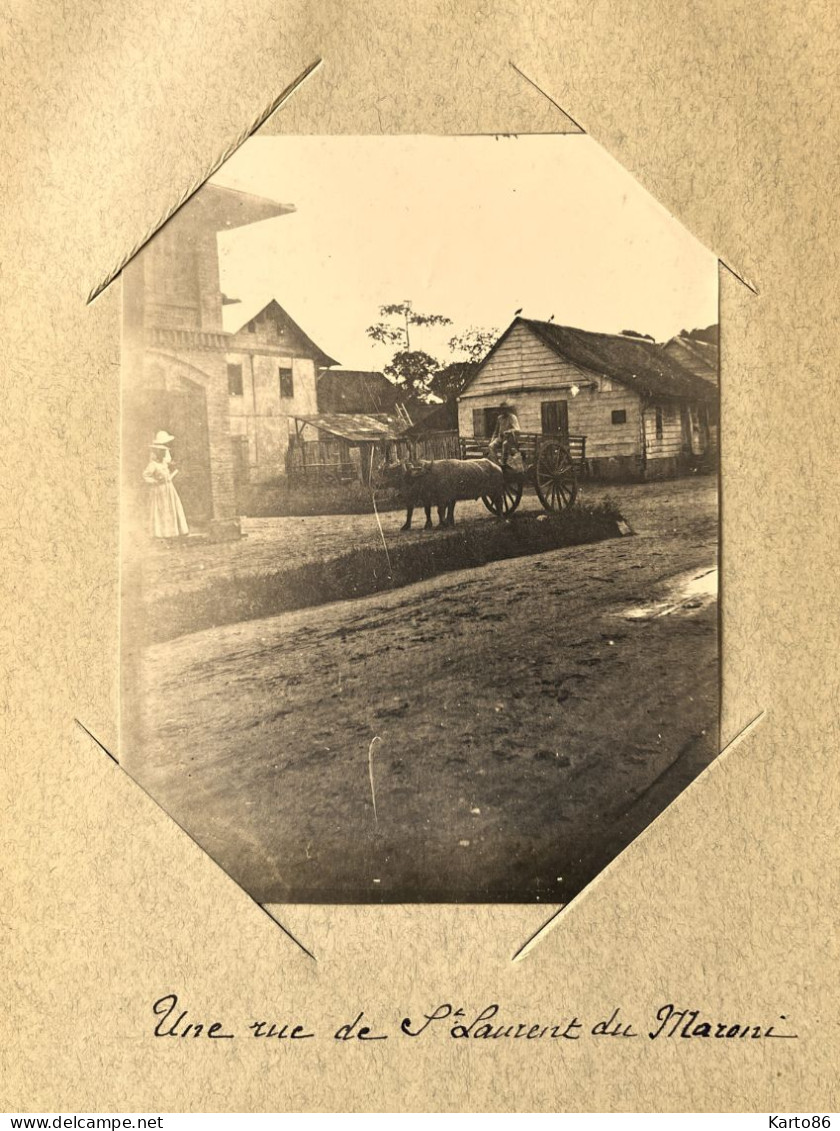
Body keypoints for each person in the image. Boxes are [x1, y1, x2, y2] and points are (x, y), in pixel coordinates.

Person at [143, 433, 189, 541]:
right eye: (161, 452)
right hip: (160, 490)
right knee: (162, 509)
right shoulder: (153, 464)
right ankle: (162, 533)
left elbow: (169, 469)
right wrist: (154, 481)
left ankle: (173, 531)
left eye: (164, 451)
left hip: (169, 488)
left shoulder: (164, 464)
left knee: (172, 507)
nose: (164, 453)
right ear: (157, 453)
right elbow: (145, 475)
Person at [488, 401, 521, 466]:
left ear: (507, 410)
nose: (503, 411)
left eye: (505, 409)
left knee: (505, 444)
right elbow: (496, 430)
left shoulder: (512, 417)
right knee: (491, 446)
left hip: (510, 439)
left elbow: (517, 429)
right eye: (502, 409)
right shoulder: (499, 418)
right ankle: (495, 462)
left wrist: (509, 431)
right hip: (500, 438)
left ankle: (503, 462)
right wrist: (492, 439)